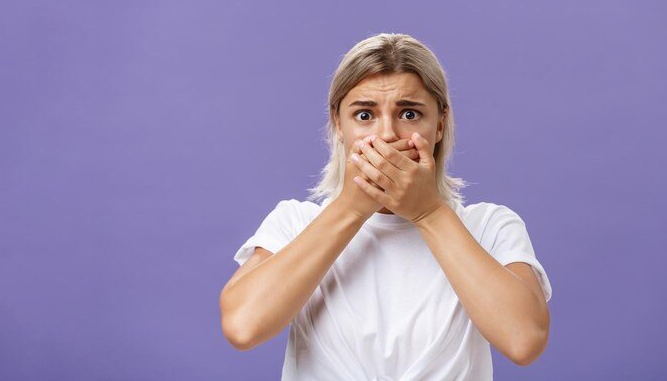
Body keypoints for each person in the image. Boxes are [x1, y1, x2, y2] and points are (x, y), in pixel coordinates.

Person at [219, 33, 552, 381]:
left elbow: (524, 341)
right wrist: (350, 209)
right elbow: (243, 327)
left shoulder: (490, 226)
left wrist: (428, 213)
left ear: (439, 124)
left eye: (409, 113)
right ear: (339, 124)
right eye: (365, 115)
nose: (387, 134)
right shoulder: (294, 222)